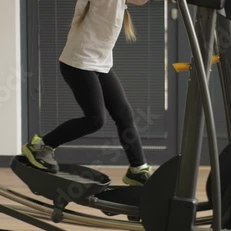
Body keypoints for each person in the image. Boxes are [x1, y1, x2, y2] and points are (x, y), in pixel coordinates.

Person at [22, 0, 151, 186]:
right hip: (78, 63)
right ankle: (39, 147)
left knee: (124, 114)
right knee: (95, 119)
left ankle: (137, 170)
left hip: (100, 64)